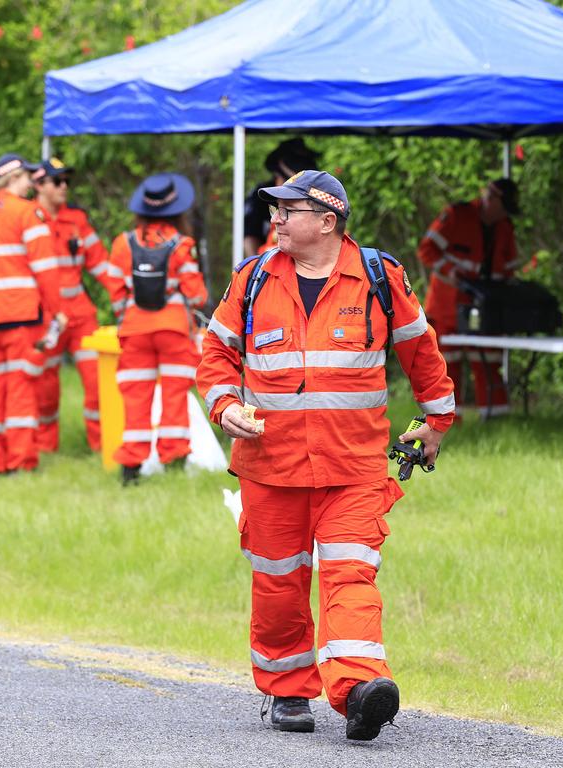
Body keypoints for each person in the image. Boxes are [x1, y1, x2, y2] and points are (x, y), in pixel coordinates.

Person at [197, 170, 455, 741]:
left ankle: (360, 689)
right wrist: (225, 407)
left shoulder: (379, 278)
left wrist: (437, 421)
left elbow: (421, 350)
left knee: (351, 575)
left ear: (327, 221)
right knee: (279, 582)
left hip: (353, 468)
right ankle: (288, 690)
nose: (276, 219)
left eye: (288, 210)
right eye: (275, 210)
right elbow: (216, 352)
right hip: (271, 467)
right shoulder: (254, 277)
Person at [0, 153, 64, 475]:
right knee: (20, 388)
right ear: (17, 178)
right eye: (29, 176)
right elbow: (45, 269)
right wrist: (58, 312)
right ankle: (21, 462)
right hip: (19, 315)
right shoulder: (27, 212)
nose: (33, 182)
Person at [106, 173, 208, 484]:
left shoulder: (122, 244)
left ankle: (131, 467)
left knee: (136, 398)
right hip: (174, 329)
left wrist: (131, 314)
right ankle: (174, 459)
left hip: (135, 330)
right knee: (174, 396)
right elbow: (196, 295)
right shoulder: (182, 245)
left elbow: (114, 292)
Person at [417, 178, 522, 418]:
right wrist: (448, 272)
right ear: (491, 199)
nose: (504, 214)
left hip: (485, 306)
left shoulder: (505, 226)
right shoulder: (456, 216)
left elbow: (509, 267)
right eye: (503, 207)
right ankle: (449, 421)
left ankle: (497, 418)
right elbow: (426, 250)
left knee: (488, 361)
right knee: (446, 365)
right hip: (448, 306)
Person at [30, 157, 111, 453]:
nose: (64, 186)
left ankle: (103, 446)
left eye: (67, 180)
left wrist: (125, 295)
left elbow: (101, 263)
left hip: (79, 314)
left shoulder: (76, 220)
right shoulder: (28, 219)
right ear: (39, 185)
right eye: (57, 181)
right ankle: (44, 446)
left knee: (97, 379)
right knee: (44, 386)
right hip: (46, 317)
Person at [243, 138, 321, 257]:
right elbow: (250, 233)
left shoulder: (319, 192)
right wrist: (257, 267)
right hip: (271, 259)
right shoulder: (262, 194)